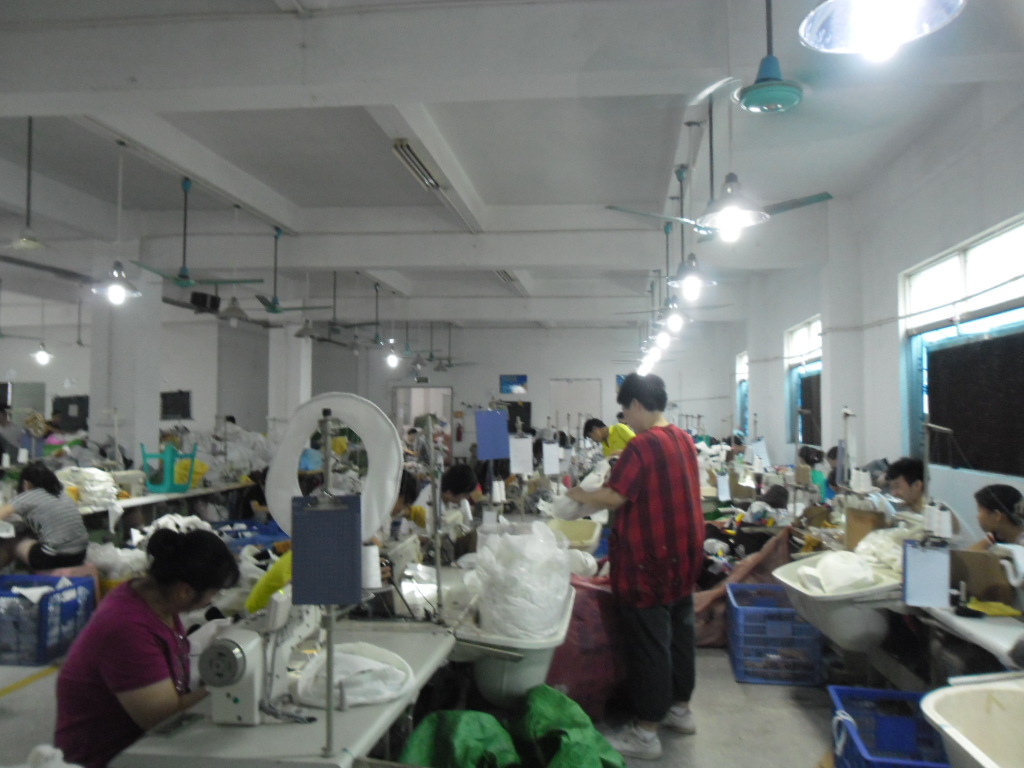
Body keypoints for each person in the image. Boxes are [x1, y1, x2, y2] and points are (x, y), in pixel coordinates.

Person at [567, 373, 704, 760]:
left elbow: (615, 496)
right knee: (680, 636)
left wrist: (577, 495)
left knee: (650, 646)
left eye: (626, 411)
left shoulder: (644, 445)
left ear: (638, 405)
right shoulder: (682, 438)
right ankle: (680, 710)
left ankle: (646, 733)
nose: (625, 420)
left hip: (650, 560)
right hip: (683, 554)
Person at [55, 529, 240, 768]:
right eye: (213, 594)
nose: (212, 601)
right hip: (106, 758)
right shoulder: (126, 628)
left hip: (135, 743)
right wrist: (226, 683)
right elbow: (162, 718)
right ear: (185, 591)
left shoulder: (157, 601)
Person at [0, 461, 88, 571]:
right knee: (32, 536)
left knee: (12, 542)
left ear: (26, 484)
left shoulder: (29, 495)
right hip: (80, 554)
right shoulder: (62, 494)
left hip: (54, 558)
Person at [970, 484, 1024, 550]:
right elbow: (970, 553)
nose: (977, 517)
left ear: (996, 515)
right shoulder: (998, 535)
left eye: (979, 511)